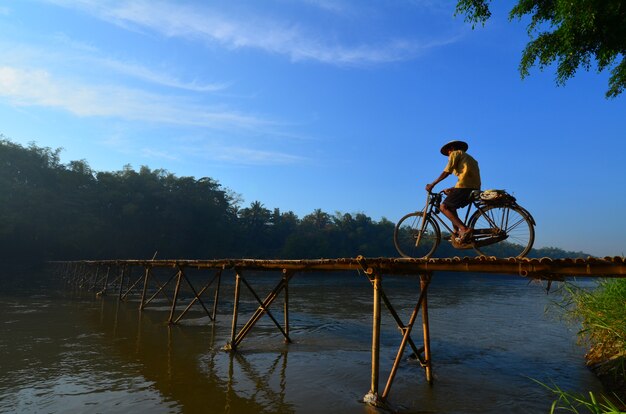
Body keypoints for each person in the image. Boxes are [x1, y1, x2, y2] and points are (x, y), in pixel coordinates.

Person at [425, 140, 481, 243]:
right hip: (473, 187)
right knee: (451, 206)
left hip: (465, 187)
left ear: (451, 149)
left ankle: (464, 229)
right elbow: (466, 177)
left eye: (447, 153)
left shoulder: (455, 153)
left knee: (443, 207)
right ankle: (456, 231)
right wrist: (453, 188)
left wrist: (433, 184)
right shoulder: (470, 158)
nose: (448, 156)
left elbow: (447, 171)